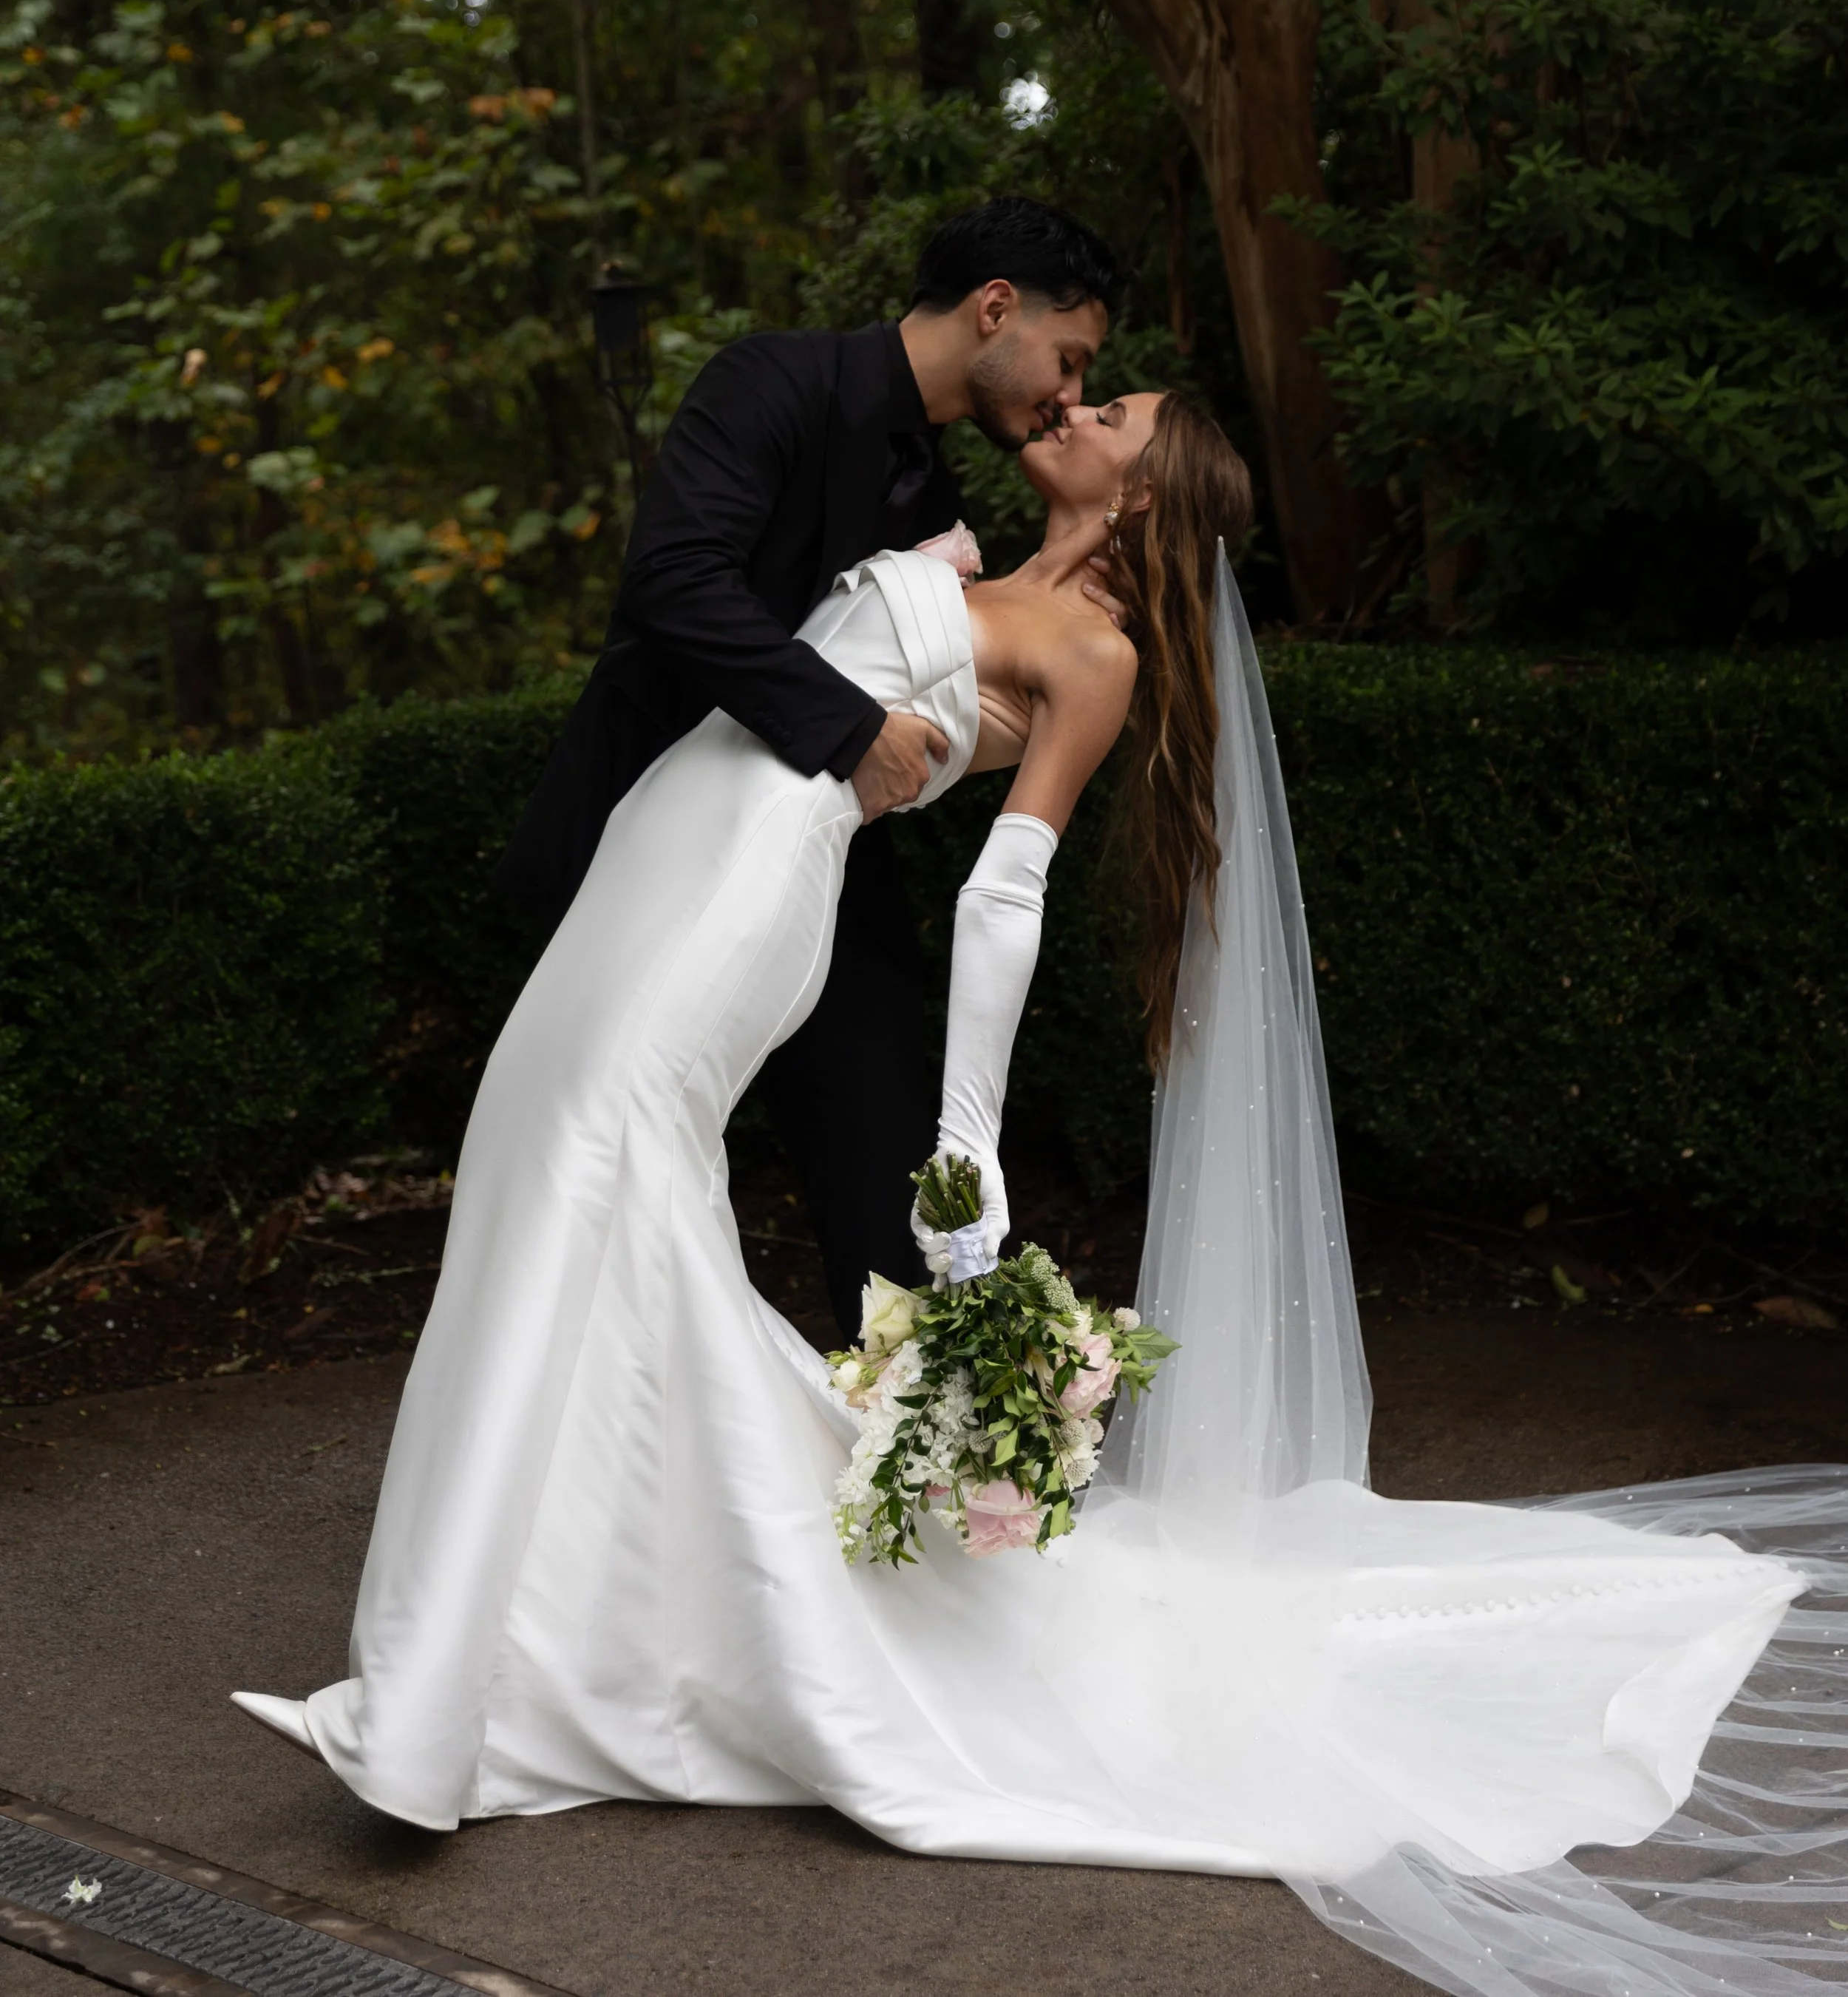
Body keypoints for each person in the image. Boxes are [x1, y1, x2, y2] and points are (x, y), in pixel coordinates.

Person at [237, 391, 1848, 1997]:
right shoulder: (967, 557)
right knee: (538, 1161)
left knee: (602, 1169)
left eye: (1112, 410)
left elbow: (1006, 896)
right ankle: (562, 1635)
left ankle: (473, 1676)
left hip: (745, 888)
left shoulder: (1097, 654)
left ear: (1146, 498)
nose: (1075, 405)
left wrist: (967, 1142)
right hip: (661, 847)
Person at [493, 195, 1127, 1335]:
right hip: (643, 844)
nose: (1067, 398)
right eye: (1069, 360)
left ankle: (918, 1474)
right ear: (996, 309)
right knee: (604, 1165)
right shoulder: (769, 381)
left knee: (887, 1174)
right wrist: (848, 728)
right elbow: (675, 579)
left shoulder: (938, 499)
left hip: (827, 873)